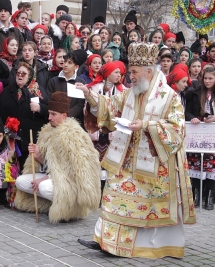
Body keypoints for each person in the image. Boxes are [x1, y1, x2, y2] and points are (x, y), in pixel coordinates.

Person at [77, 42, 196, 258]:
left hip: (155, 163)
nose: (129, 76)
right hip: (127, 158)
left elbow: (178, 129)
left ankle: (145, 245)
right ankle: (107, 241)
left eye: (134, 72)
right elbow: (110, 105)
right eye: (130, 71)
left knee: (140, 204)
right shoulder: (131, 93)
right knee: (113, 192)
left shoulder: (169, 97)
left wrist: (147, 126)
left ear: (149, 72)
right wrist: (89, 95)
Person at [14, 91, 101, 223]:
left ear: (64, 115)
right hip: (52, 176)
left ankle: (69, 208)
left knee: (43, 187)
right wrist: (37, 156)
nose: (49, 117)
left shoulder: (73, 135)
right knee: (20, 181)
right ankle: (52, 205)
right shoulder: (47, 131)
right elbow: (50, 164)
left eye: (53, 114)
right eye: (49, 113)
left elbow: (68, 171)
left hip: (69, 183)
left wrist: (42, 179)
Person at [84, 61, 127, 203]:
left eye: (120, 73)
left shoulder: (123, 91)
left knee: (111, 166)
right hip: (97, 132)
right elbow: (90, 109)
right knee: (95, 166)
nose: (118, 75)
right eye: (115, 72)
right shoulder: (95, 88)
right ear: (108, 74)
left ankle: (109, 196)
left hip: (112, 134)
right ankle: (95, 196)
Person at [0, 61, 49, 169]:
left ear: (30, 76)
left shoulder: (38, 92)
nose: (20, 75)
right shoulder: (7, 91)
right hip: (10, 142)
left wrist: (39, 108)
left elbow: (50, 111)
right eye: (18, 73)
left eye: (23, 73)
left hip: (30, 142)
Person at [185, 67, 215, 210]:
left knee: (211, 166)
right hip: (197, 134)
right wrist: (193, 118)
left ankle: (209, 196)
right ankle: (196, 194)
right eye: (206, 78)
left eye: (211, 78)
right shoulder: (194, 92)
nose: (208, 81)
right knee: (196, 164)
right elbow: (187, 111)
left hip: (212, 135)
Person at [47, 50, 87, 121]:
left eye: (69, 63)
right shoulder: (53, 81)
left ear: (76, 67)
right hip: (55, 119)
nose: (65, 64)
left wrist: (67, 116)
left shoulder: (80, 82)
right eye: (65, 61)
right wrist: (59, 116)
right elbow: (49, 100)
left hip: (74, 121)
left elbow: (80, 104)